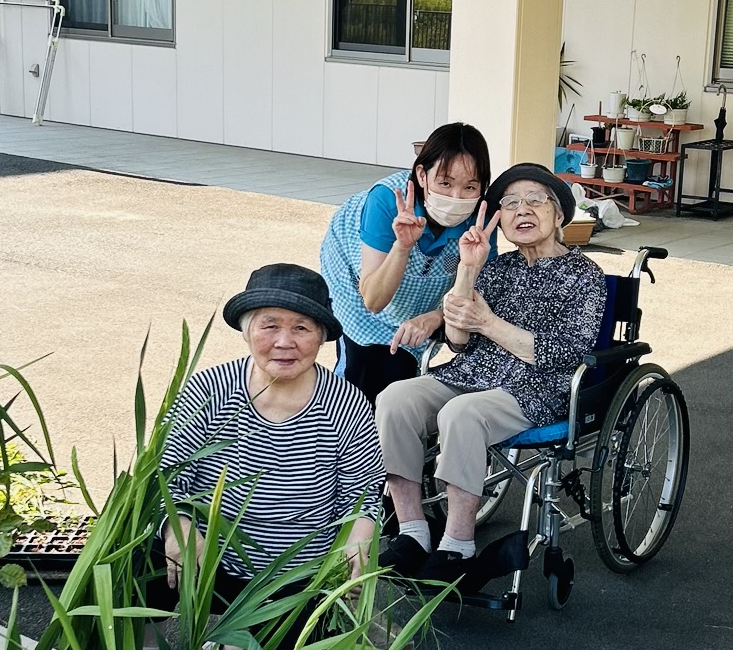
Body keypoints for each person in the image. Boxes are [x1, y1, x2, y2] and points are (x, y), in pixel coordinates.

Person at [378, 163, 607, 573]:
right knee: (395, 399)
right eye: (511, 204)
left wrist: (489, 324)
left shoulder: (584, 275)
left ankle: (457, 545)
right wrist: (468, 268)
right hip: (472, 373)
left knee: (461, 414)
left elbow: (566, 353)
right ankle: (412, 531)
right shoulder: (497, 268)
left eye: (535, 200)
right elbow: (457, 340)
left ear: (558, 215)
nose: (522, 210)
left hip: (536, 387)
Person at [159, 262, 382, 591]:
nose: (284, 342)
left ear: (321, 338)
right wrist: (179, 530)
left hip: (300, 577)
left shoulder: (346, 403)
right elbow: (165, 478)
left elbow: (361, 496)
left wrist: (357, 547)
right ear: (247, 331)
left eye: (302, 328)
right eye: (270, 326)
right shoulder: (208, 390)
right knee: (142, 561)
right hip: (204, 563)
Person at [319, 122, 492, 405]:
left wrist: (436, 316)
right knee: (361, 375)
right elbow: (373, 300)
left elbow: (480, 291)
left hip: (419, 299)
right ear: (422, 175)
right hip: (360, 284)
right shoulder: (387, 201)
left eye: (470, 187)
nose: (456, 197)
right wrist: (402, 245)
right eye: (445, 183)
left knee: (399, 372)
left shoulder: (482, 218)